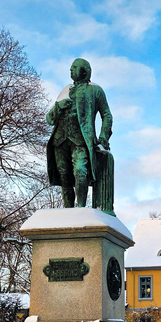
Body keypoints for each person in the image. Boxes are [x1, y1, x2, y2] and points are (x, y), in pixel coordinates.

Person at [46, 58, 114, 214]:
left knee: (80, 171)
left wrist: (103, 137)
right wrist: (59, 106)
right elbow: (49, 119)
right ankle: (68, 212)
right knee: (65, 177)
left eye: (74, 67)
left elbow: (107, 115)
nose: (71, 70)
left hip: (81, 140)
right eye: (71, 67)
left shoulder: (95, 90)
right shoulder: (65, 91)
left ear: (85, 71)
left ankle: (81, 210)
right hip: (59, 140)